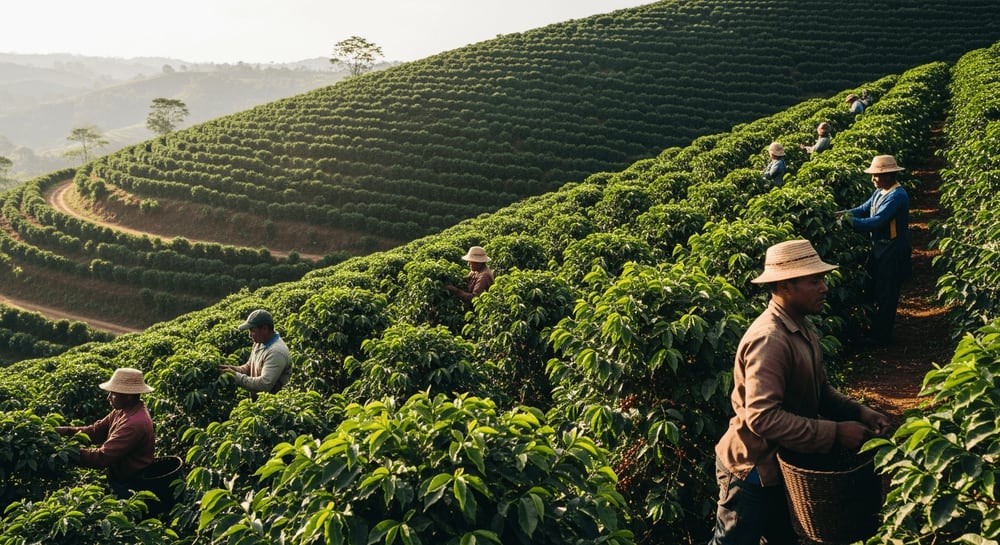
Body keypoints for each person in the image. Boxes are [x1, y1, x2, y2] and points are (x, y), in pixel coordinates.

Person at [709, 239, 890, 545]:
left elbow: (821, 392)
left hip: (782, 466)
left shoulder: (801, 327)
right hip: (752, 469)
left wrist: (858, 412)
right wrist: (835, 433)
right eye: (814, 281)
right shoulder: (771, 340)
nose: (824, 288)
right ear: (785, 286)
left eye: (823, 279)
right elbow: (763, 418)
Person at [837, 155, 911, 347]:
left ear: (887, 176)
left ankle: (881, 337)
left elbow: (876, 221)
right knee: (874, 289)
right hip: (880, 248)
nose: (873, 179)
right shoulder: (880, 192)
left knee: (887, 293)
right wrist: (840, 214)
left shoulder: (897, 196)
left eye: (876, 176)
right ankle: (873, 330)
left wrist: (847, 223)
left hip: (893, 250)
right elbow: (863, 209)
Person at [55, 367, 156, 498]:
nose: (109, 397)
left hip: (131, 484)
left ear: (129, 396)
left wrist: (65, 452)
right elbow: (95, 431)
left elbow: (102, 458)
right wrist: (64, 431)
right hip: (121, 477)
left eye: (113, 393)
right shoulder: (123, 410)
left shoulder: (134, 424)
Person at [221, 309, 291, 397]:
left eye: (252, 330)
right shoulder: (259, 343)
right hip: (258, 404)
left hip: (273, 406)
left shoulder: (276, 352)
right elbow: (249, 367)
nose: (250, 335)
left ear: (264, 329)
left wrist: (236, 377)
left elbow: (264, 384)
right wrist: (232, 370)